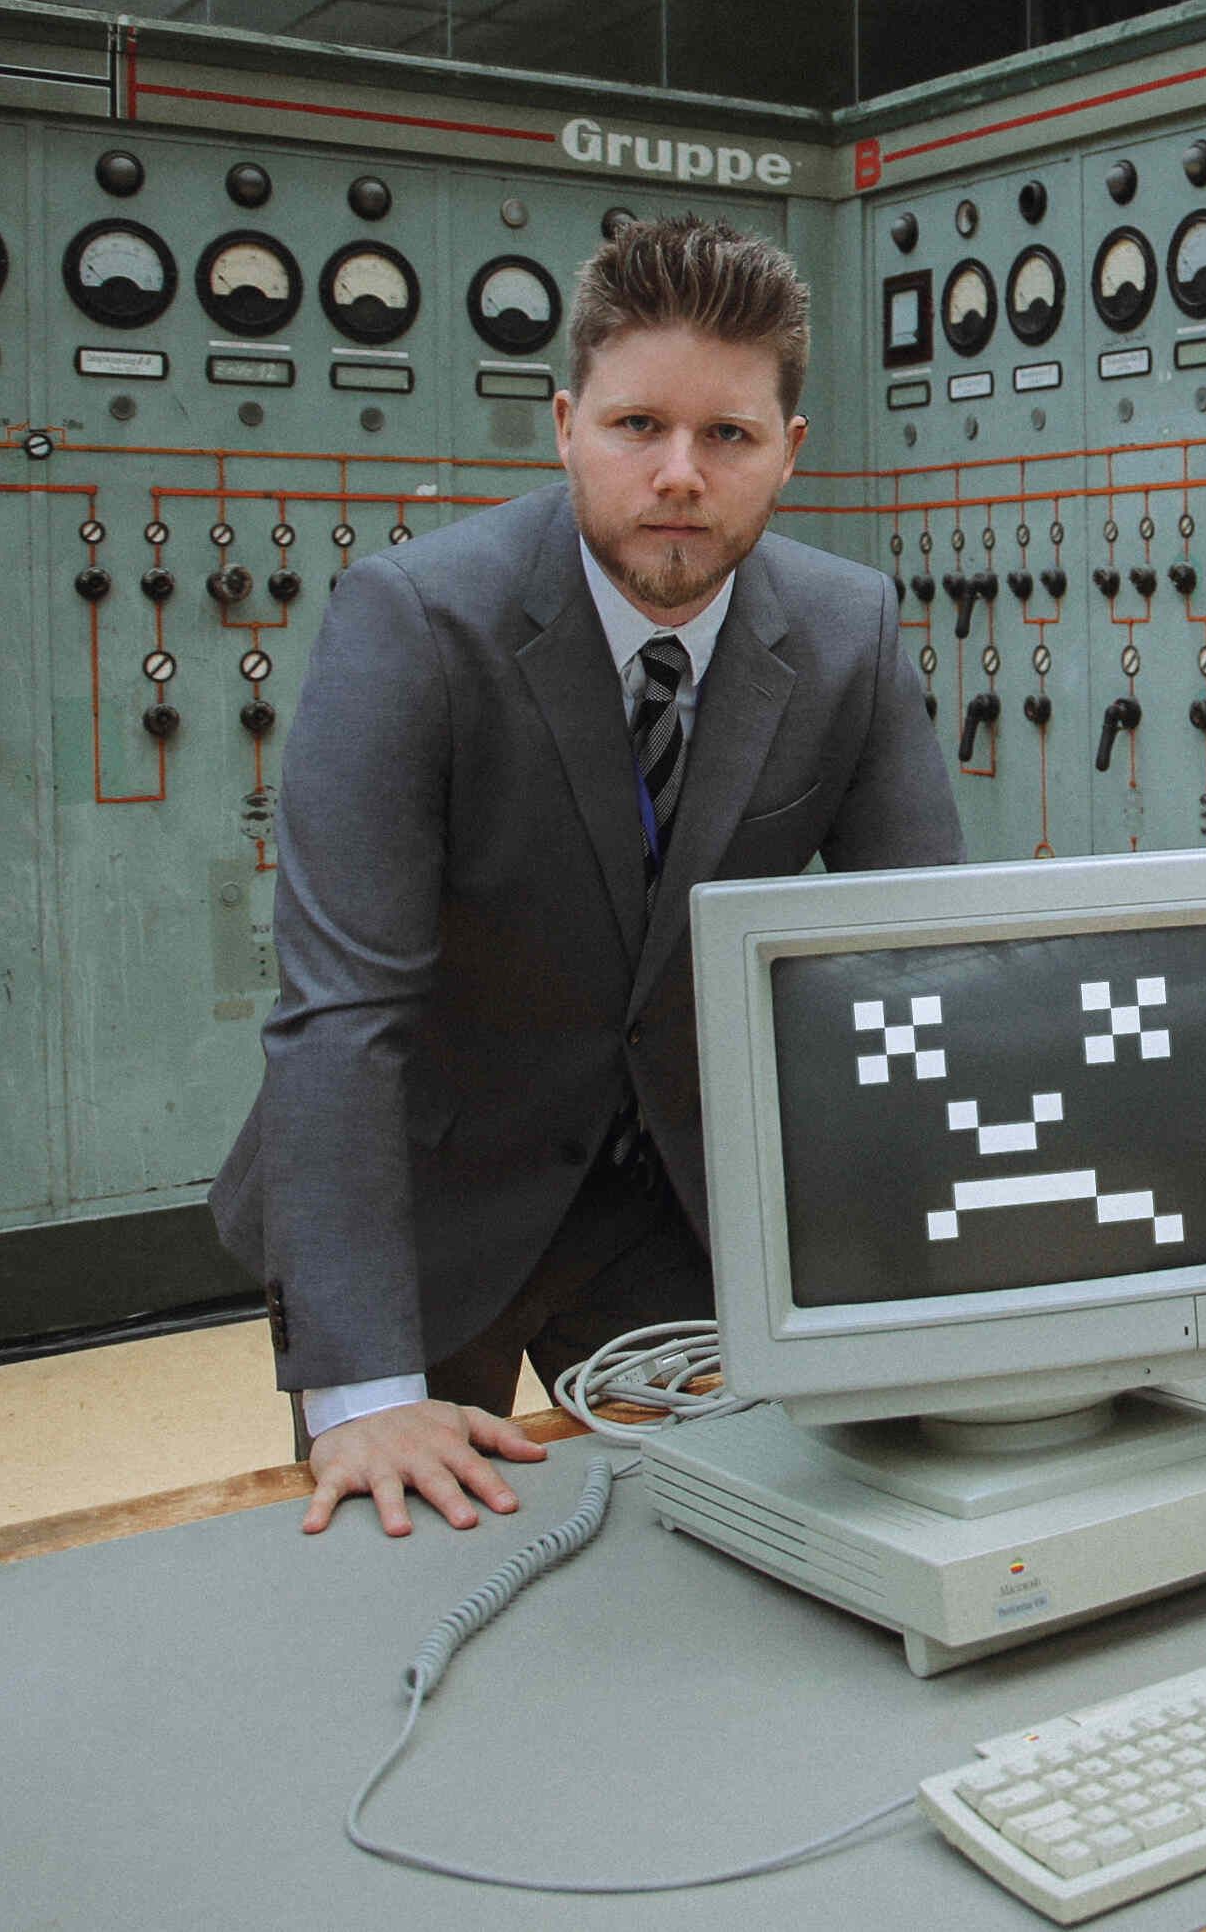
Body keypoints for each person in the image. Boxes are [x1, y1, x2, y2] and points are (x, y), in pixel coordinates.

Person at [212, 213, 962, 1540]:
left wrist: (954, 1279)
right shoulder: (414, 622)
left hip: (665, 1201)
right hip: (423, 1196)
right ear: (566, 427)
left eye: (727, 435)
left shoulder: (850, 632)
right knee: (409, 1548)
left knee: (727, 1538)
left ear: (789, 452)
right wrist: (362, 1390)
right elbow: (340, 1012)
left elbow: (921, 965)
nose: (680, 473)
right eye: (637, 427)